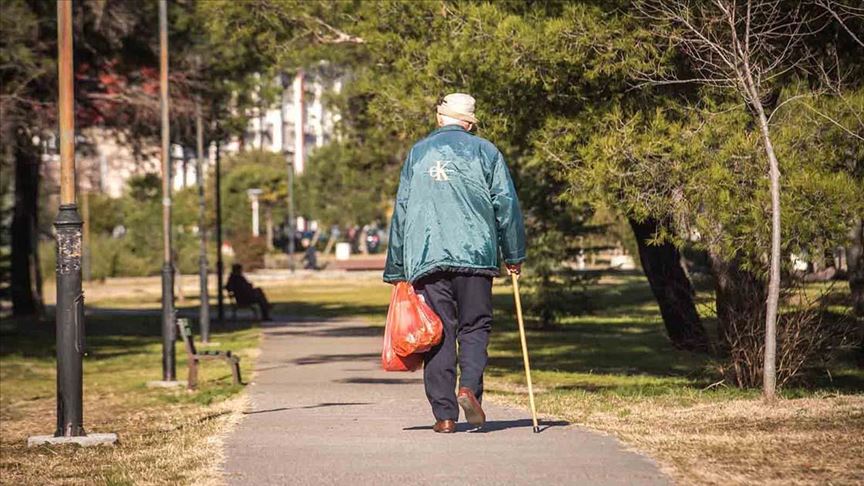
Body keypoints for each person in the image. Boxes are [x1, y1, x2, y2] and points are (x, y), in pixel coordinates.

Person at [383, 93, 526, 434]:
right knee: (475, 326)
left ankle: (445, 415)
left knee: (438, 333)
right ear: (469, 122)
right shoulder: (486, 151)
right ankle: (469, 389)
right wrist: (514, 255)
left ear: (440, 119)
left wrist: (396, 267)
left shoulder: (418, 153)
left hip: (429, 257)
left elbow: (402, 210)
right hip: (476, 254)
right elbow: (505, 204)